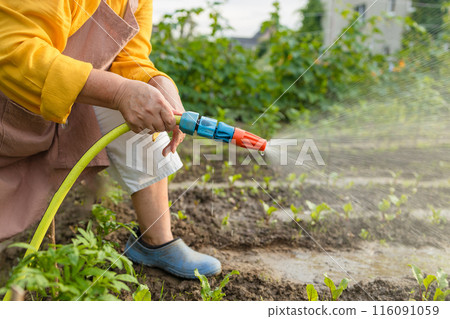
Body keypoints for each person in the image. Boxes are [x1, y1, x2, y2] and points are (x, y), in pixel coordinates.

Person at [0, 0, 221, 279]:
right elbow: (15, 53)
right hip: (13, 101)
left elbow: (129, 60)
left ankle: (156, 242)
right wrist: (118, 93)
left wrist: (156, 83)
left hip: (63, 106)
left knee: (144, 105)